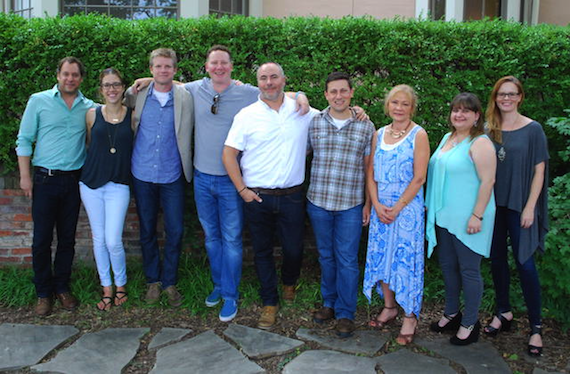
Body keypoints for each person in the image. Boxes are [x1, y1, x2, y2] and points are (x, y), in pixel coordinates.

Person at [132, 45, 309, 322]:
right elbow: (168, 81)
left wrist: (300, 95)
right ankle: (218, 285)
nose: (218, 67)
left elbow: (276, 92)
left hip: (231, 181)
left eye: (223, 63)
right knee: (212, 239)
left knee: (232, 240)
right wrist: (146, 80)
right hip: (202, 178)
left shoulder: (247, 92)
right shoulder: (193, 89)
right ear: (206, 67)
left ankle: (230, 294)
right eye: (213, 63)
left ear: (231, 67)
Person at [223, 62, 319, 329]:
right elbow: (229, 154)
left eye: (274, 77)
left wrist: (357, 112)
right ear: (258, 83)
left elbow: (335, 117)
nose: (269, 82)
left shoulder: (303, 111)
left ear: (284, 80)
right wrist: (242, 190)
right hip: (258, 197)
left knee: (294, 248)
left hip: (292, 196)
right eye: (263, 78)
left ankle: (289, 282)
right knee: (262, 251)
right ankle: (269, 301)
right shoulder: (247, 115)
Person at [16, 56, 94, 316]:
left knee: (67, 240)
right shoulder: (38, 101)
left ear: (81, 78)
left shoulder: (89, 107)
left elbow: (117, 106)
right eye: (65, 74)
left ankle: (62, 287)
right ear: (58, 75)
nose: (70, 79)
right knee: (41, 240)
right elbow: (24, 140)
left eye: (75, 75)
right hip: (44, 180)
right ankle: (43, 293)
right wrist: (25, 177)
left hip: (73, 181)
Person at [483, 76, 549, 357]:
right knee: (497, 260)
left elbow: (539, 171)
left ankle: (536, 327)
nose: (506, 99)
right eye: (501, 94)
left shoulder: (533, 129)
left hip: (521, 206)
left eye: (511, 94)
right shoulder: (489, 129)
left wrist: (530, 207)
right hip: (493, 207)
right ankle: (503, 311)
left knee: (525, 264)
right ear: (495, 98)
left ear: (520, 97)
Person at [124, 48, 194, 307]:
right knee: (147, 230)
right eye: (158, 66)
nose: (163, 70)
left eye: (168, 67)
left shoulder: (186, 96)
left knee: (175, 231)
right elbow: (111, 103)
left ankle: (170, 282)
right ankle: (152, 281)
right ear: (151, 69)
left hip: (173, 174)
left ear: (174, 70)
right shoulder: (137, 94)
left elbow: (212, 86)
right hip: (142, 173)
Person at [307, 72, 375, 338]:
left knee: (347, 260)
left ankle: (346, 312)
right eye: (333, 91)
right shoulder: (314, 123)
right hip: (319, 202)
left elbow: (370, 170)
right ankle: (329, 304)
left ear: (351, 93)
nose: (338, 96)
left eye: (343, 91)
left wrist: (368, 204)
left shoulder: (365, 126)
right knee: (326, 256)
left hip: (350, 204)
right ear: (325, 95)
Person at [426, 92, 496, 346]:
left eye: (466, 111)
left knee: (469, 271)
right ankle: (452, 313)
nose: (460, 114)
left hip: (470, 219)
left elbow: (488, 181)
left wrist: (477, 215)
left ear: (477, 115)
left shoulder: (480, 143)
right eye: (456, 110)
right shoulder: (448, 138)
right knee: (448, 267)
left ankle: (470, 322)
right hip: (445, 217)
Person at [363, 85, 430, 345]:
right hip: (382, 207)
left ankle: (410, 315)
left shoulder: (418, 134)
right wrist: (377, 204)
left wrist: (398, 207)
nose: (399, 108)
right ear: (387, 106)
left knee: (405, 260)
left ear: (412, 108)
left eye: (404, 104)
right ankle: (390, 307)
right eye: (394, 103)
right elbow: (371, 173)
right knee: (384, 258)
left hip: (407, 208)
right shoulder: (378, 134)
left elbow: (419, 177)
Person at [79, 68, 133, 311]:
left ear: (123, 88)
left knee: (113, 240)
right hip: (90, 184)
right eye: (107, 85)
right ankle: (107, 287)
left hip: (118, 185)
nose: (112, 89)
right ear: (100, 89)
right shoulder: (91, 115)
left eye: (116, 84)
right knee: (98, 239)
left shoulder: (132, 116)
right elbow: (89, 144)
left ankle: (121, 283)